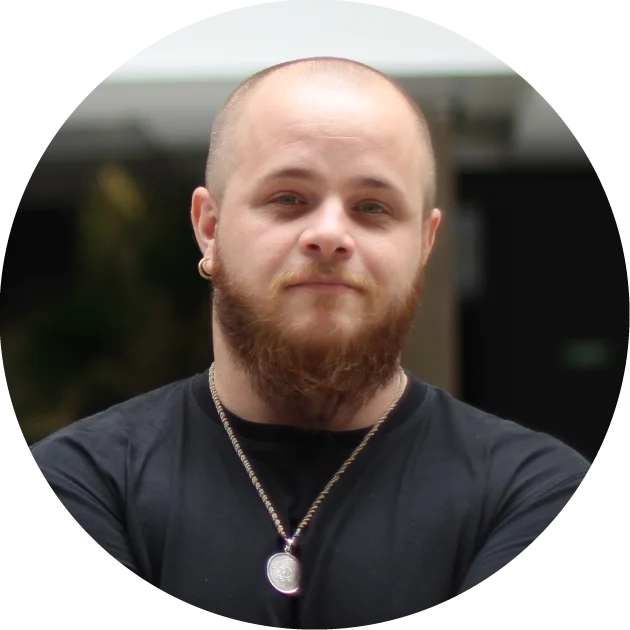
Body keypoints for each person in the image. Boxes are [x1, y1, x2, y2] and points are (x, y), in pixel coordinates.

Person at [29, 57, 590, 627]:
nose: (329, 234)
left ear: (425, 243)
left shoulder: (532, 493)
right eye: (288, 198)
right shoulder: (84, 482)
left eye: (372, 207)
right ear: (210, 227)